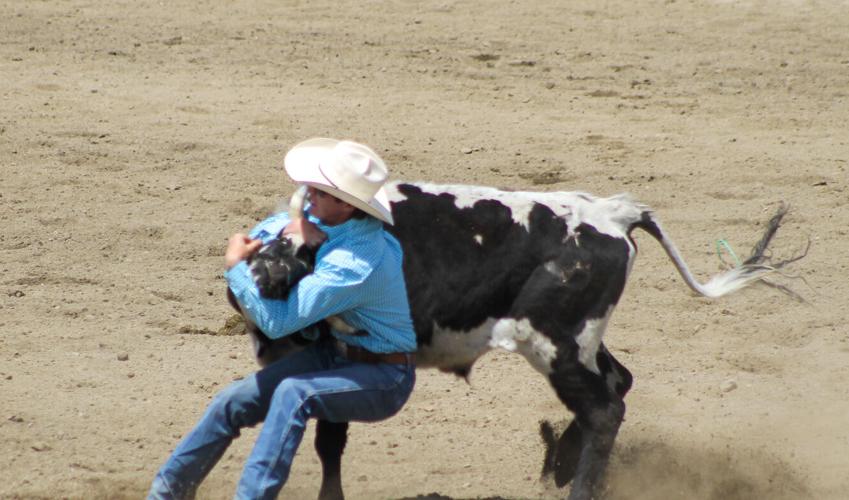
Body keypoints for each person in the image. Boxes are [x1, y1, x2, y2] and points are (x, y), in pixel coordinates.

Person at [148, 138, 417, 499]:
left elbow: (278, 322)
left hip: (385, 376)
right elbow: (272, 226)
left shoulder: (357, 264)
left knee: (295, 393)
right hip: (335, 355)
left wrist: (235, 267)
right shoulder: (329, 221)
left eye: (318, 191)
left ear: (344, 203)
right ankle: (167, 491)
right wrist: (289, 235)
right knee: (233, 401)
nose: (307, 194)